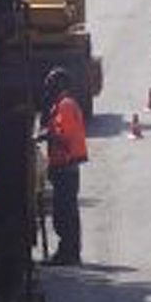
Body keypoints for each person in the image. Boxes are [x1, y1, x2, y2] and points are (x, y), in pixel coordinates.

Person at [38, 67, 87, 265]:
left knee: (64, 213)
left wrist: (44, 135)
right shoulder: (64, 104)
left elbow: (63, 135)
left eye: (50, 85)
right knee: (68, 211)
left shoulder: (65, 106)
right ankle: (70, 251)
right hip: (66, 166)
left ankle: (68, 253)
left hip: (65, 166)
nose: (47, 89)